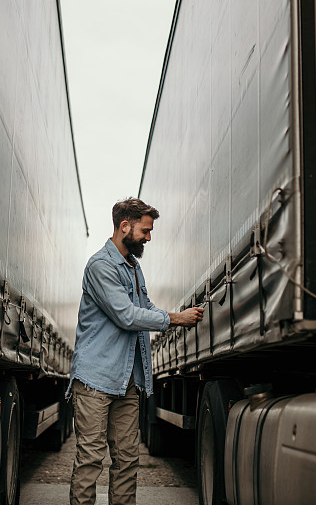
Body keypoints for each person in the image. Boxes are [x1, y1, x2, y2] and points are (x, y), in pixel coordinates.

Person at [67, 197, 204, 505]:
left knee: (128, 460)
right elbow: (126, 316)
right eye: (145, 230)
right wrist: (175, 319)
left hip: (127, 381)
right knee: (90, 460)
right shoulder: (101, 266)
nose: (149, 238)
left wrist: (178, 315)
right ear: (125, 226)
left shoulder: (133, 267)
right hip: (95, 379)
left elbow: (145, 307)